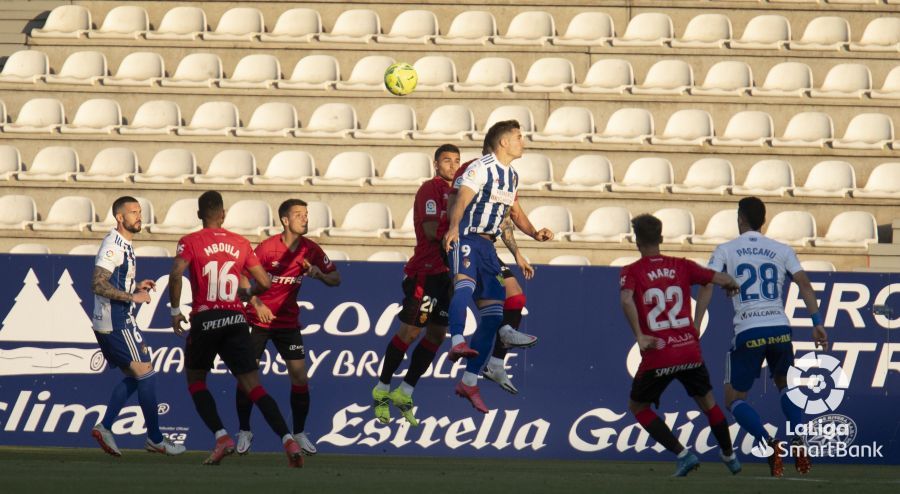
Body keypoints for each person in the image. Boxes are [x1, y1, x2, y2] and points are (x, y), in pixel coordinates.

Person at [695, 197, 829, 477]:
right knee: (785, 385)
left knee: (734, 398)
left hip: (749, 330)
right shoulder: (781, 249)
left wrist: (696, 325)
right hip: (780, 329)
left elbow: (708, 284)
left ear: (741, 218)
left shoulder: (726, 250)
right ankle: (798, 439)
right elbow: (804, 283)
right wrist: (817, 323)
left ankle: (769, 444)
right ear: (763, 221)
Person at [168, 191, 303, 467]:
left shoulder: (190, 241)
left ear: (199, 215)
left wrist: (174, 311)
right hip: (236, 319)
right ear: (223, 214)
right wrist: (248, 294)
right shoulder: (240, 243)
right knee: (254, 386)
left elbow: (175, 274)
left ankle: (221, 437)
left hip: (206, 319)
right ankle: (288, 440)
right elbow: (265, 283)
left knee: (195, 381)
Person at [620, 214, 742, 477]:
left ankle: (683, 455)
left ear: (636, 241)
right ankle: (730, 457)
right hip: (689, 350)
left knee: (638, 407)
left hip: (659, 352)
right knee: (708, 403)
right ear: (661, 239)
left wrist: (640, 335)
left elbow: (627, 298)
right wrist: (731, 284)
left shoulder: (632, 271)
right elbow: (716, 279)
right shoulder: (682, 265)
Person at [442, 120, 552, 412]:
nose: (523, 141)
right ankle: (456, 340)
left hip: (488, 247)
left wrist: (533, 233)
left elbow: (512, 212)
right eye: (518, 136)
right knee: (463, 287)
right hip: (467, 236)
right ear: (503, 142)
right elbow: (463, 198)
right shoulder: (480, 167)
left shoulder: (512, 177)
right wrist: (453, 227)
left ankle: (469, 380)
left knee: (493, 315)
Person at [236, 199, 340, 455]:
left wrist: (318, 274)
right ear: (284, 220)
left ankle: (300, 432)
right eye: (298, 215)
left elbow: (336, 278)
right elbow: (240, 276)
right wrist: (256, 302)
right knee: (248, 377)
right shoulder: (267, 249)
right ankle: (244, 430)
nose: (305, 218)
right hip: (257, 320)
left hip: (287, 322)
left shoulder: (310, 250)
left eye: (306, 214)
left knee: (299, 376)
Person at [90, 196, 185, 457]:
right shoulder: (113, 245)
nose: (138, 216)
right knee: (147, 374)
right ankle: (155, 438)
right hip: (117, 321)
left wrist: (135, 287)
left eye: (140, 211)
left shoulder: (125, 244)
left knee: (136, 376)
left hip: (114, 320)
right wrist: (132, 297)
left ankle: (106, 426)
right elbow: (98, 284)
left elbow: (114, 282)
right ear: (120, 217)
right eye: (133, 212)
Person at [373, 144, 460, 427]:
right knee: (410, 331)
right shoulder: (430, 189)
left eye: (457, 161)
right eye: (447, 161)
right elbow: (432, 231)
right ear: (436, 164)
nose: (453, 165)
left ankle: (405, 390)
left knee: (436, 335)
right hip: (427, 271)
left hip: (449, 274)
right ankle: (382, 387)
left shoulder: (462, 192)